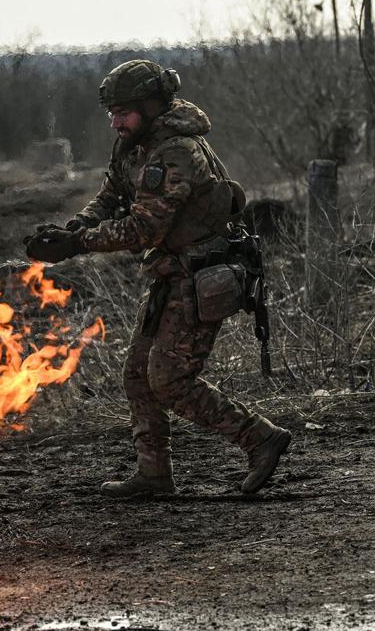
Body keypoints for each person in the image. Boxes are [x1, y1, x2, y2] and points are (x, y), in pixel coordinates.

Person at [24, 59, 291, 497]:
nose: (114, 122)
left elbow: (144, 229)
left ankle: (260, 438)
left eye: (123, 112)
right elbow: (111, 195)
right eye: (111, 113)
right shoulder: (134, 144)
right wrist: (73, 228)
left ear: (150, 107)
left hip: (201, 275)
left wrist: (77, 245)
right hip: (172, 273)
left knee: (169, 380)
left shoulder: (176, 153)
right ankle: (153, 475)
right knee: (136, 374)